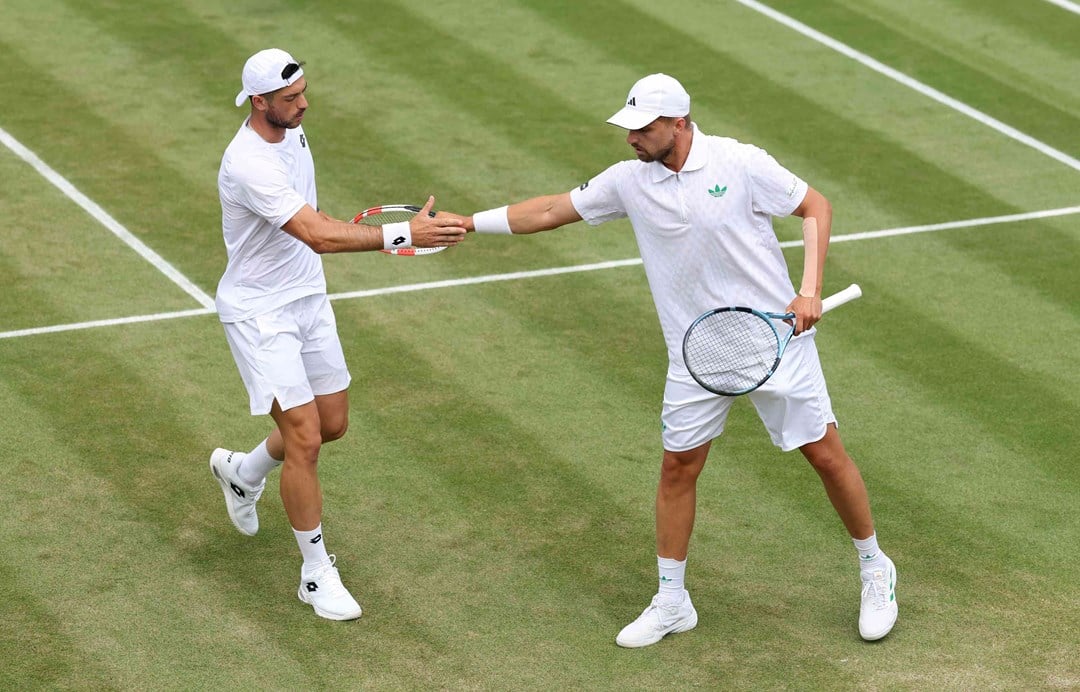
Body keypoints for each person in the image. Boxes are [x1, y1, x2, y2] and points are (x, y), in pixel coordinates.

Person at [459, 73, 898, 647]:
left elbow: (816, 206)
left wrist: (809, 288)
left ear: (679, 124)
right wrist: (468, 224)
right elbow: (548, 210)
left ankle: (874, 568)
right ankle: (672, 601)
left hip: (775, 345)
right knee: (677, 468)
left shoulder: (740, 163)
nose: (632, 139)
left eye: (643, 128)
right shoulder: (628, 182)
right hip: (694, 355)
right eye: (629, 128)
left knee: (824, 454)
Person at [210, 48, 466, 620]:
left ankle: (242, 471)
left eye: (303, 93)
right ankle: (315, 574)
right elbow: (316, 234)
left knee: (331, 425)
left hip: (307, 298)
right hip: (260, 313)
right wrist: (403, 236)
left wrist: (378, 236)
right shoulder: (249, 162)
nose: (303, 105)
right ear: (259, 103)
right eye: (290, 99)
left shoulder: (293, 132)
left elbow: (314, 224)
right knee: (303, 439)